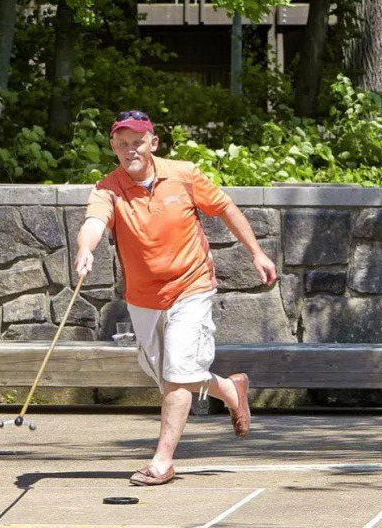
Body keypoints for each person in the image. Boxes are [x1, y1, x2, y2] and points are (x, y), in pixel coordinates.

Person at [73, 110, 276, 486]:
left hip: (191, 285)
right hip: (144, 297)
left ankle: (162, 461)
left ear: (153, 143)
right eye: (122, 144)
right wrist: (86, 249)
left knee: (179, 373)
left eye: (137, 142)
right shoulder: (108, 188)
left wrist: (257, 253)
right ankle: (231, 389)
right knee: (168, 376)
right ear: (114, 148)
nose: (130, 150)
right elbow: (94, 223)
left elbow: (226, 208)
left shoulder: (183, 174)